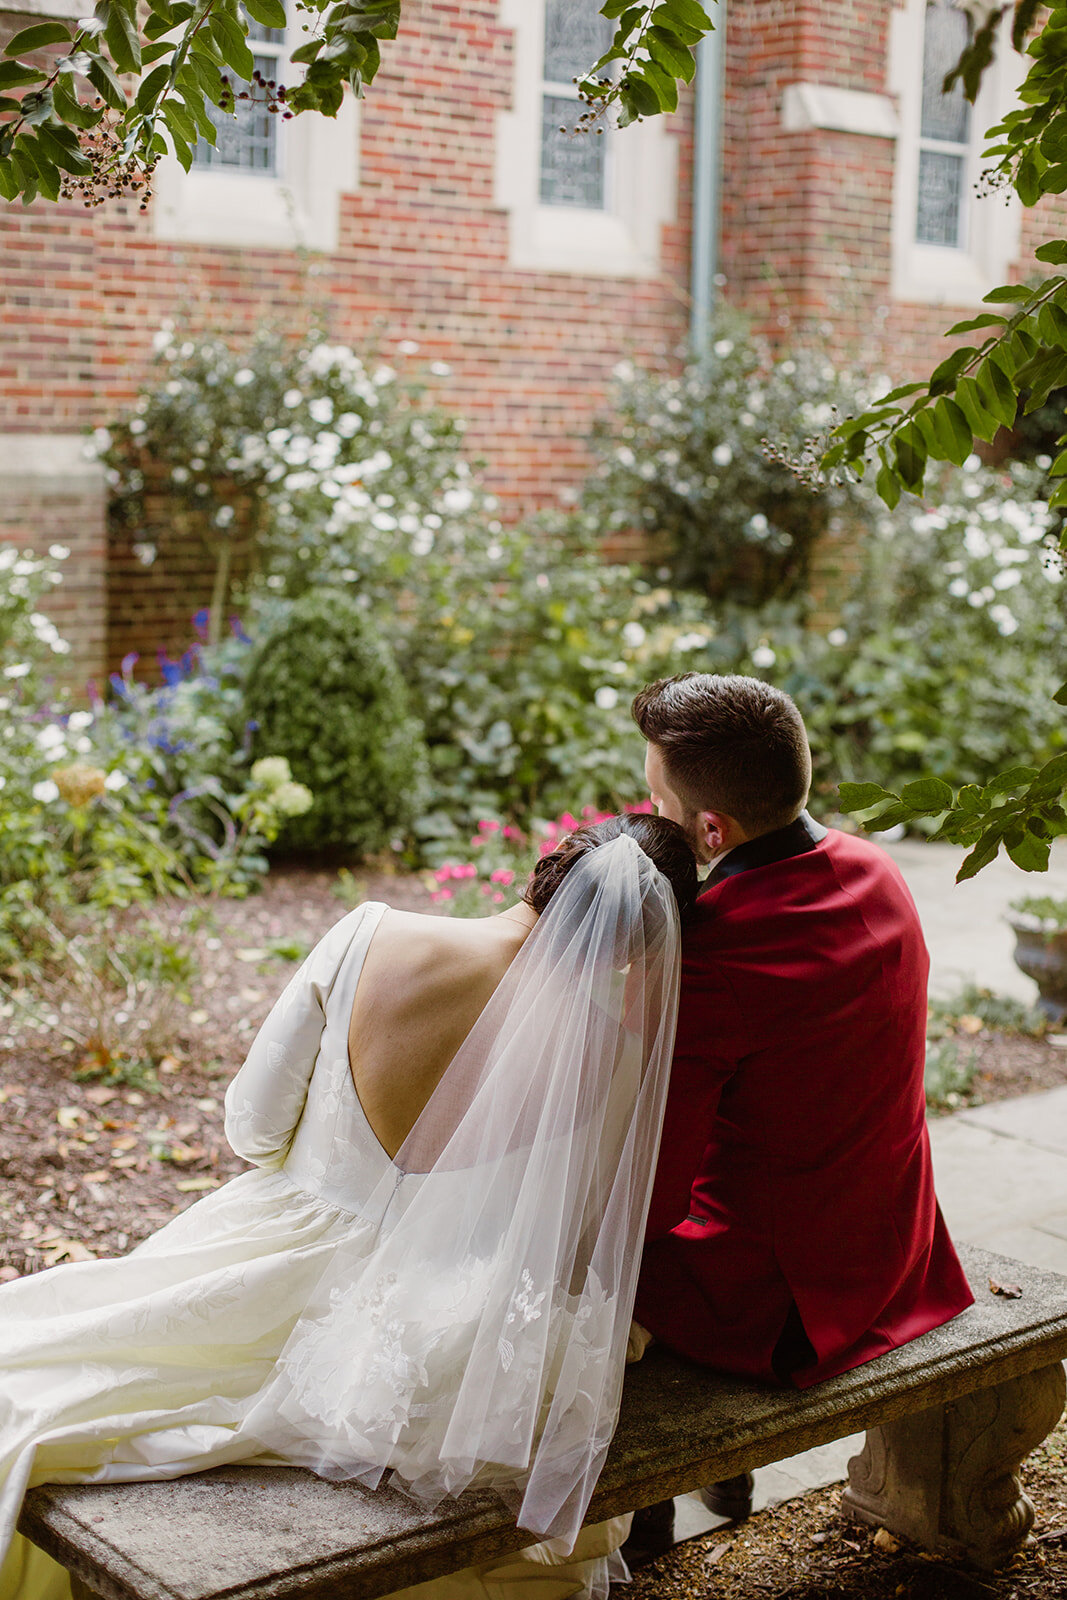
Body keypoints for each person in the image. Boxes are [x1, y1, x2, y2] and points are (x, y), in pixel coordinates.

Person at [0, 813, 698, 1600]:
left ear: (548, 866)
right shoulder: (613, 1053)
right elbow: (568, 1239)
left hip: (267, 1258)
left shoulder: (372, 932)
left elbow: (254, 1129)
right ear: (643, 949)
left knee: (41, 1366)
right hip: (434, 1317)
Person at [625, 672, 973, 1554]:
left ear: (710, 830)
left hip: (784, 1300)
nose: (646, 806)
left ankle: (643, 1508)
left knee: (564, 1261)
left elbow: (654, 1194)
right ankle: (708, 1477)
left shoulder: (715, 950)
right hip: (899, 1246)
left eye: (655, 794)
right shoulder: (876, 869)